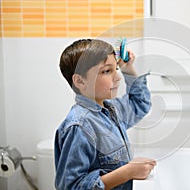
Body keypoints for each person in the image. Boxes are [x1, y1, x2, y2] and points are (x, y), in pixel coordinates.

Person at [55, 39, 156, 190]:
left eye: (116, 69)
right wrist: (127, 172)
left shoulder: (111, 109)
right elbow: (72, 186)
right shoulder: (79, 126)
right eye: (107, 71)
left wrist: (128, 70)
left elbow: (140, 104)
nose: (118, 77)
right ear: (80, 81)